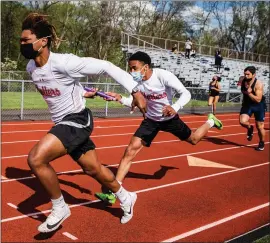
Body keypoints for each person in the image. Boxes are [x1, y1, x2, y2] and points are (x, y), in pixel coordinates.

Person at [19, 13, 145, 233]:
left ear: (43, 41)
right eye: (21, 40)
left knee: (36, 159)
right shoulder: (31, 67)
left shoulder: (65, 62)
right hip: (63, 122)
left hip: (77, 119)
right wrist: (82, 92)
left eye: (26, 41)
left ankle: (60, 208)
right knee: (93, 168)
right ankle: (127, 198)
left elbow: (106, 66)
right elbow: (61, 88)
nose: (22, 44)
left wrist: (135, 90)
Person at [95, 51, 223, 204]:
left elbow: (185, 93)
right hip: (150, 120)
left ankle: (211, 121)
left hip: (169, 119)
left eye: (134, 68)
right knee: (130, 151)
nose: (131, 72)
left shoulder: (163, 76)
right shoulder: (136, 83)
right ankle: (114, 192)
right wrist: (120, 98)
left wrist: (175, 107)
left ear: (145, 67)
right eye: (130, 68)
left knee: (194, 139)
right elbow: (137, 102)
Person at [239, 66, 266, 151]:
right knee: (242, 121)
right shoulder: (243, 80)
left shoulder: (258, 84)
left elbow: (258, 99)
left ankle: (261, 142)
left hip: (259, 105)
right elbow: (242, 90)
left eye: (248, 74)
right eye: (245, 74)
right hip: (247, 104)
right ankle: (250, 128)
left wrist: (249, 93)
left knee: (260, 126)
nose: (246, 76)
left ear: (254, 74)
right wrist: (246, 91)